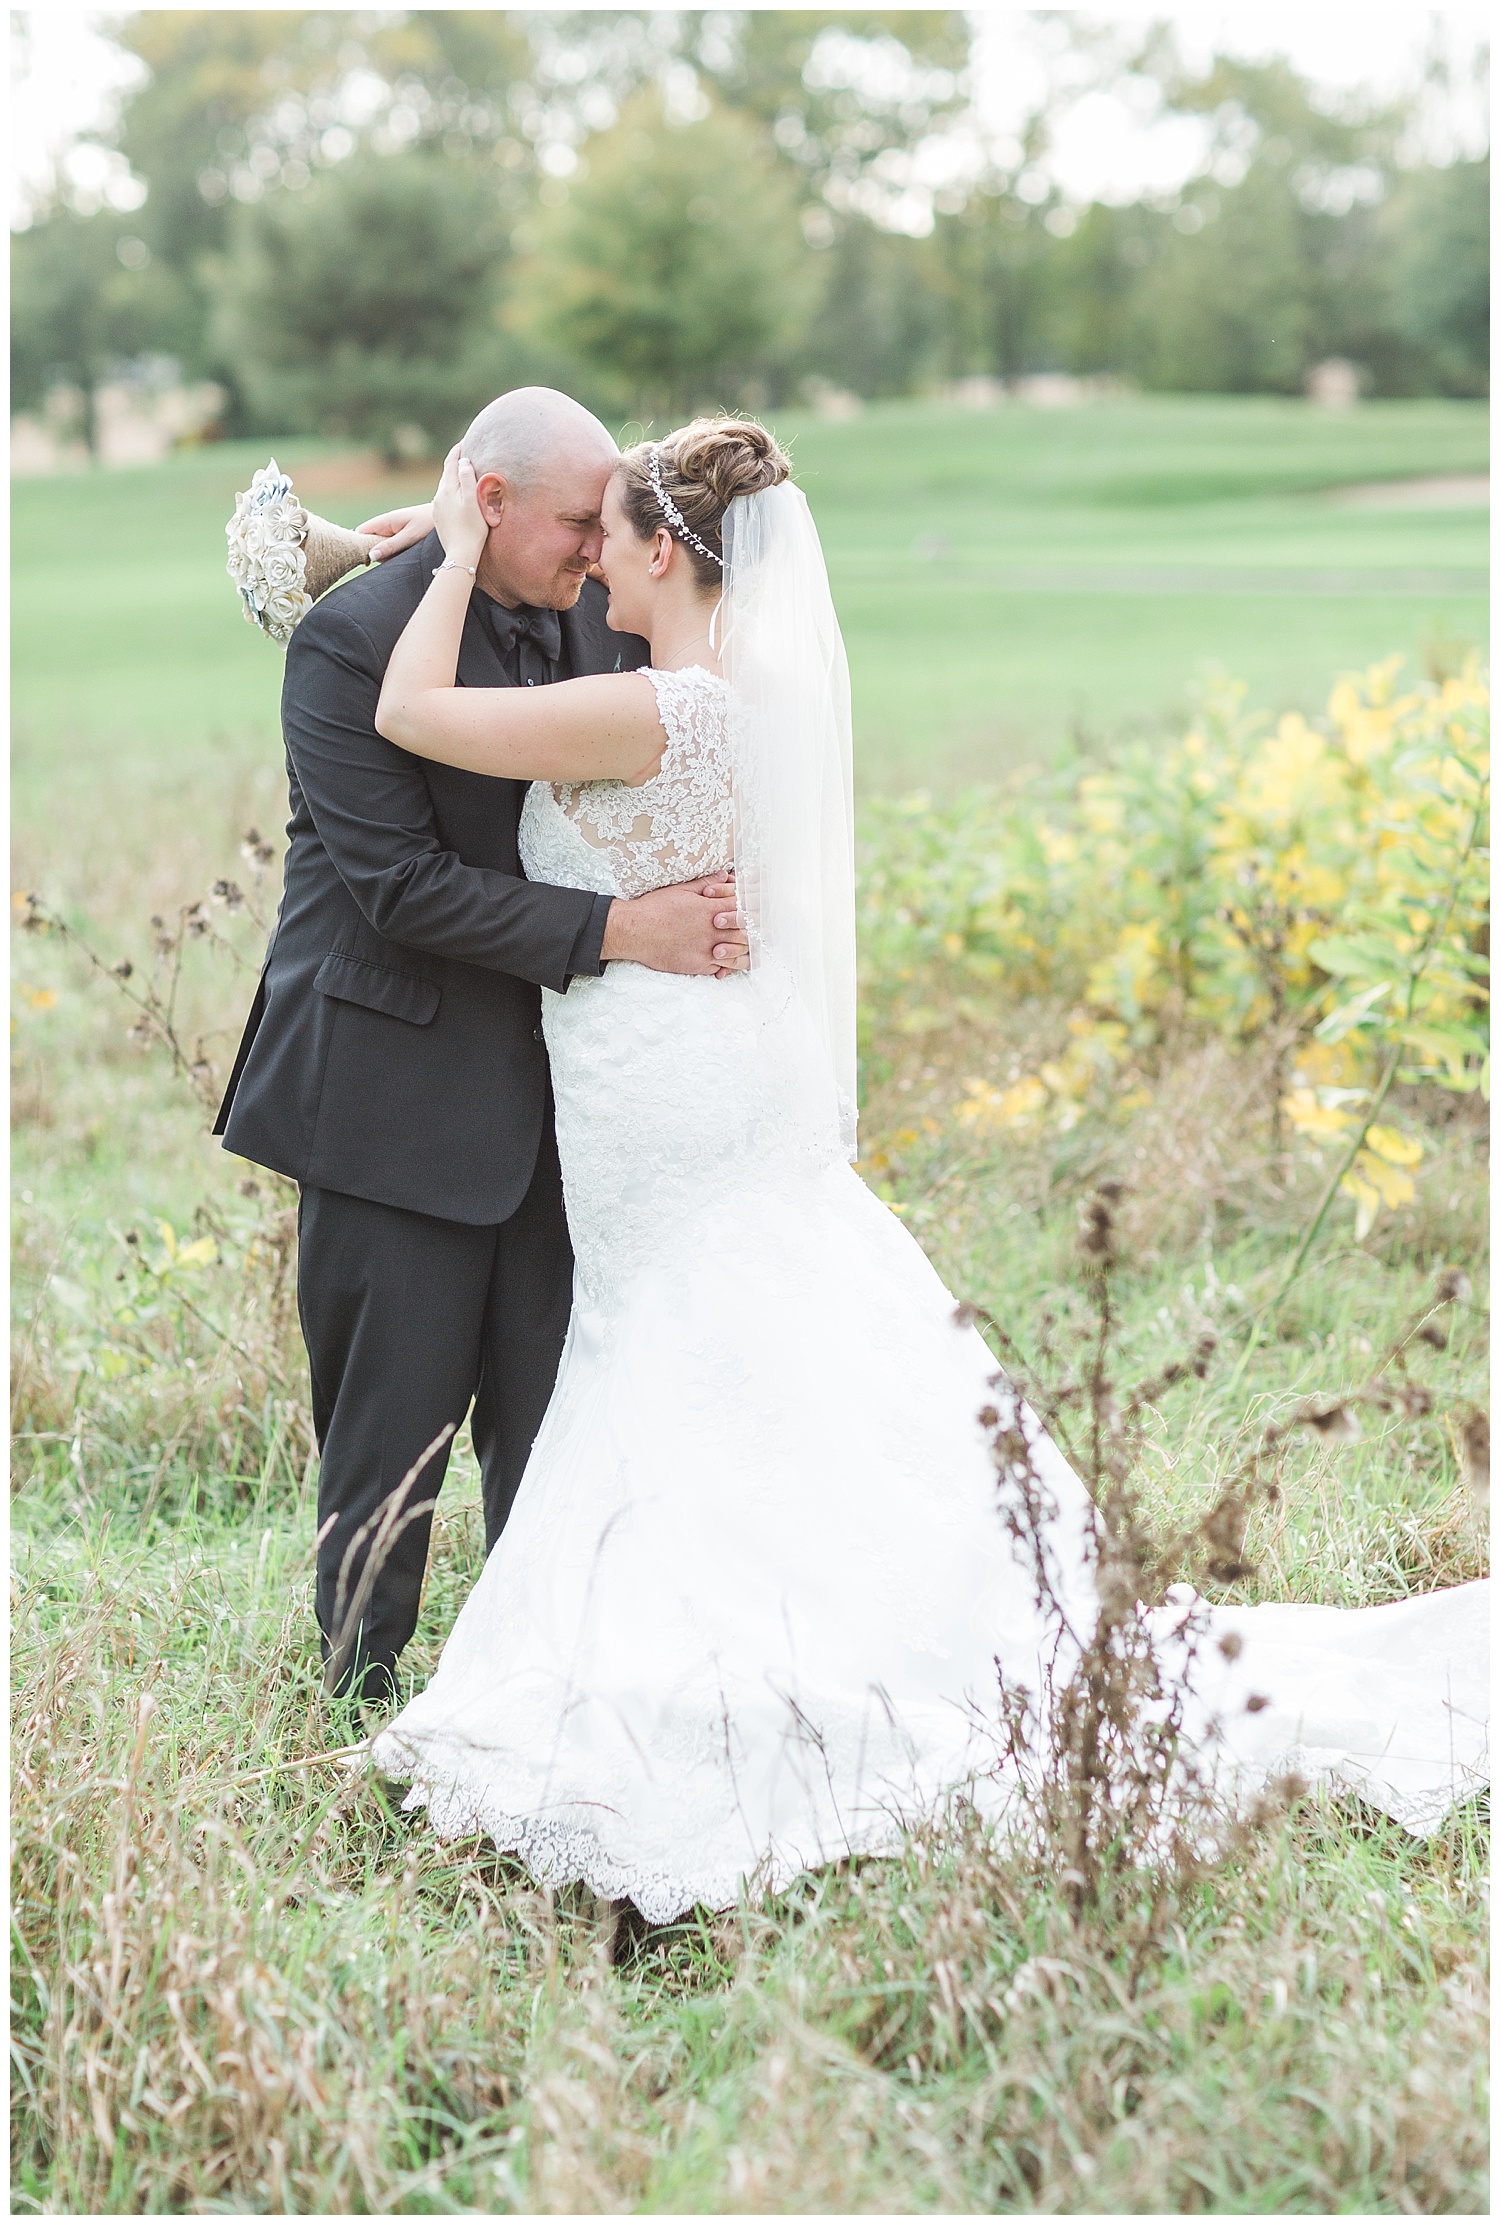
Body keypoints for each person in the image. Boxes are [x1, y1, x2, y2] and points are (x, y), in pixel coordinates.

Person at [357, 415, 1488, 1925]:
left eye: (608, 538)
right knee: (753, 1347)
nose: (586, 565)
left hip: (668, 1097)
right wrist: (425, 545)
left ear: (660, 553)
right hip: (705, 1079)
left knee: (691, 1350)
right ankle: (811, 1612)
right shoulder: (734, 702)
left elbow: (415, 711)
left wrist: (442, 548)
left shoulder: (645, 714)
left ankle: (745, 1653)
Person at [213, 387, 748, 1706]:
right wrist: (624, 928)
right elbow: (400, 889)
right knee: (388, 1444)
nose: (595, 544)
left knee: (552, 1433)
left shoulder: (591, 608)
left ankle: (533, 1698)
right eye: (576, 520)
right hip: (388, 1091)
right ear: (488, 503)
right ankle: (356, 1700)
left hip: (569, 1099)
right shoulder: (352, 641)